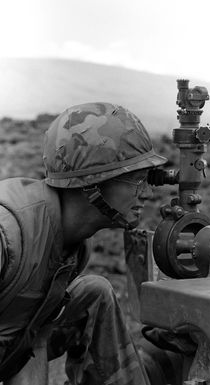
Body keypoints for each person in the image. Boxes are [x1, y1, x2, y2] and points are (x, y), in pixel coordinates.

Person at [0, 102, 167, 384]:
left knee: (95, 291)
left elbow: (33, 344)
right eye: (137, 180)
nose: (148, 193)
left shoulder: (72, 247)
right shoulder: (9, 238)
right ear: (91, 182)